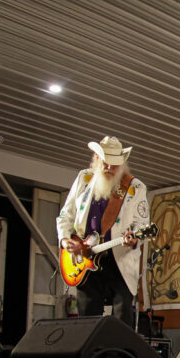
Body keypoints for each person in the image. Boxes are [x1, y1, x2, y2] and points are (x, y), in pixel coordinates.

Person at [57, 136, 149, 328]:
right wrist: (65, 240)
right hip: (85, 259)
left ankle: (117, 356)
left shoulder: (135, 187)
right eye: (105, 163)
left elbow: (142, 224)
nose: (109, 168)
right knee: (86, 320)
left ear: (122, 164)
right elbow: (66, 214)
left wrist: (133, 240)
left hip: (119, 261)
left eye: (114, 165)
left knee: (122, 319)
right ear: (96, 160)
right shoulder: (84, 178)